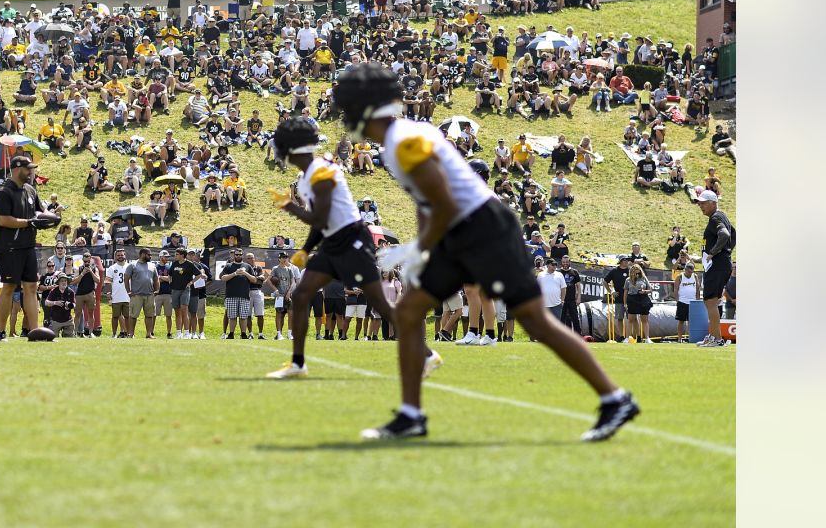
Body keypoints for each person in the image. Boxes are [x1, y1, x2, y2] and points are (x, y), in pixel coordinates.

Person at [331, 64, 638, 441]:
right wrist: (418, 246)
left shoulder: (403, 142)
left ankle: (615, 397)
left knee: (535, 321)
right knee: (408, 312)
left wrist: (419, 249)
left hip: (482, 227)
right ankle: (411, 414)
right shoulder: (401, 138)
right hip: (460, 228)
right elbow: (427, 202)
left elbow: (442, 201)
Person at [264, 118, 436, 378]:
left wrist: (290, 207)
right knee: (301, 296)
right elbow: (323, 223)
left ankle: (427, 354)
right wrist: (306, 248)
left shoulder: (322, 172)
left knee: (381, 305)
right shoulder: (306, 177)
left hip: (353, 241)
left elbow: (320, 218)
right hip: (334, 241)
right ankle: (298, 363)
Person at [0, 154, 57, 341]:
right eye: (28, 169)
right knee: (9, 287)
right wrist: (30, 222)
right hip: (9, 247)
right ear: (18, 169)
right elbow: (3, 220)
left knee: (31, 287)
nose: (31, 172)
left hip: (28, 246)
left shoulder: (30, 190)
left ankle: (35, 332)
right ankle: (1, 332)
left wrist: (51, 216)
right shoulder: (4, 193)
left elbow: (40, 211)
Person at [697, 190, 735, 347]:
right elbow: (734, 234)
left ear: (713, 203)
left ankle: (717, 339)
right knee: (710, 302)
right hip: (721, 264)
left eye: (704, 203)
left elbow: (725, 235)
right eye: (699, 203)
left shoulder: (716, 217)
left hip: (717, 265)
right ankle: (713, 336)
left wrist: (713, 253)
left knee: (710, 302)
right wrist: (727, 252)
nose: (701, 206)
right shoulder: (721, 216)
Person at [124, 248, 159, 339]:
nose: (150, 256)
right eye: (149, 254)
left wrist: (157, 290)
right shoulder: (133, 265)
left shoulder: (152, 265)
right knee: (133, 315)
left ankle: (149, 334)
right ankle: (131, 334)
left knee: (150, 315)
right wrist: (128, 291)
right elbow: (126, 278)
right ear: (142, 254)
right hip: (136, 295)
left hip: (150, 295)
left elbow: (156, 278)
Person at [266, 251, 301, 341]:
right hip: (279, 296)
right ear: (279, 258)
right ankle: (279, 334)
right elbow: (268, 280)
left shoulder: (289, 269)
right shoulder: (275, 268)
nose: (284, 259)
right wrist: (275, 290)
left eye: (285, 257)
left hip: (288, 295)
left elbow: (293, 281)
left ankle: (289, 334)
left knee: (291, 314)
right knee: (279, 314)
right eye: (282, 257)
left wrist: (289, 292)